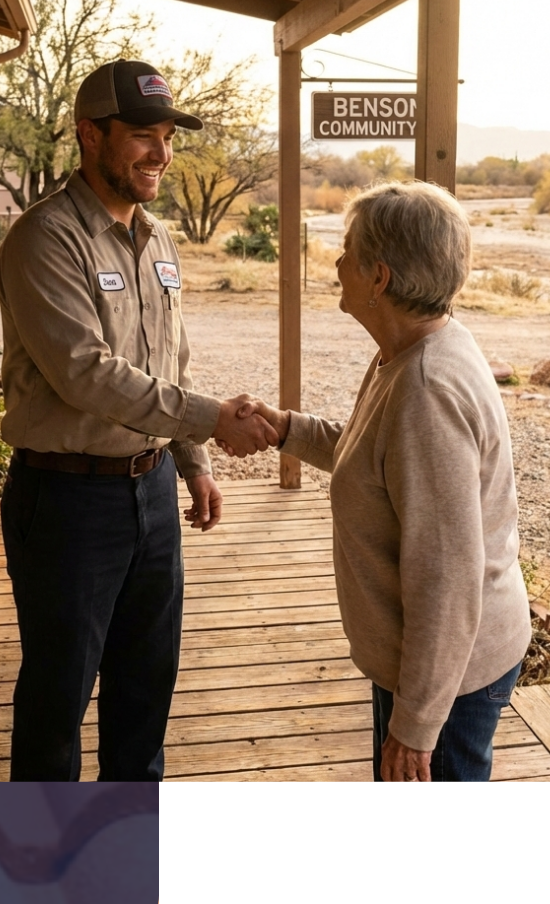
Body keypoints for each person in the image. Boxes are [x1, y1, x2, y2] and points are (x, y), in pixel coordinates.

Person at [0, 59, 277, 782]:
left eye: (168, 138)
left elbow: (168, 364)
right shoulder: (44, 240)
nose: (162, 154)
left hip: (149, 492)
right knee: (59, 698)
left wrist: (194, 462)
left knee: (146, 688)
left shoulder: (159, 242)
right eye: (143, 137)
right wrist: (214, 419)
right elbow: (88, 374)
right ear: (90, 135)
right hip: (65, 503)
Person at [226, 181, 532, 782]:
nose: (337, 263)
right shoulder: (414, 348)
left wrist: (416, 725)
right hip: (429, 668)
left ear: (379, 278)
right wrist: (288, 428)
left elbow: (447, 576)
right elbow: (377, 462)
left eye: (347, 250)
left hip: (449, 684)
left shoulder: (427, 391)